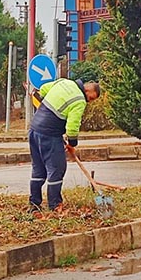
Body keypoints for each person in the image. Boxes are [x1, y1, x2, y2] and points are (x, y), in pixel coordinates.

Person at [27, 77, 101, 211]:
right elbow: (72, 127)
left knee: (38, 169)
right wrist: (72, 143)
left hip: (34, 129)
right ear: (87, 90)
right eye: (91, 98)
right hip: (50, 134)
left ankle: (34, 204)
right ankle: (55, 206)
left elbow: (43, 90)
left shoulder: (63, 82)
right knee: (57, 169)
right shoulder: (79, 100)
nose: (89, 102)